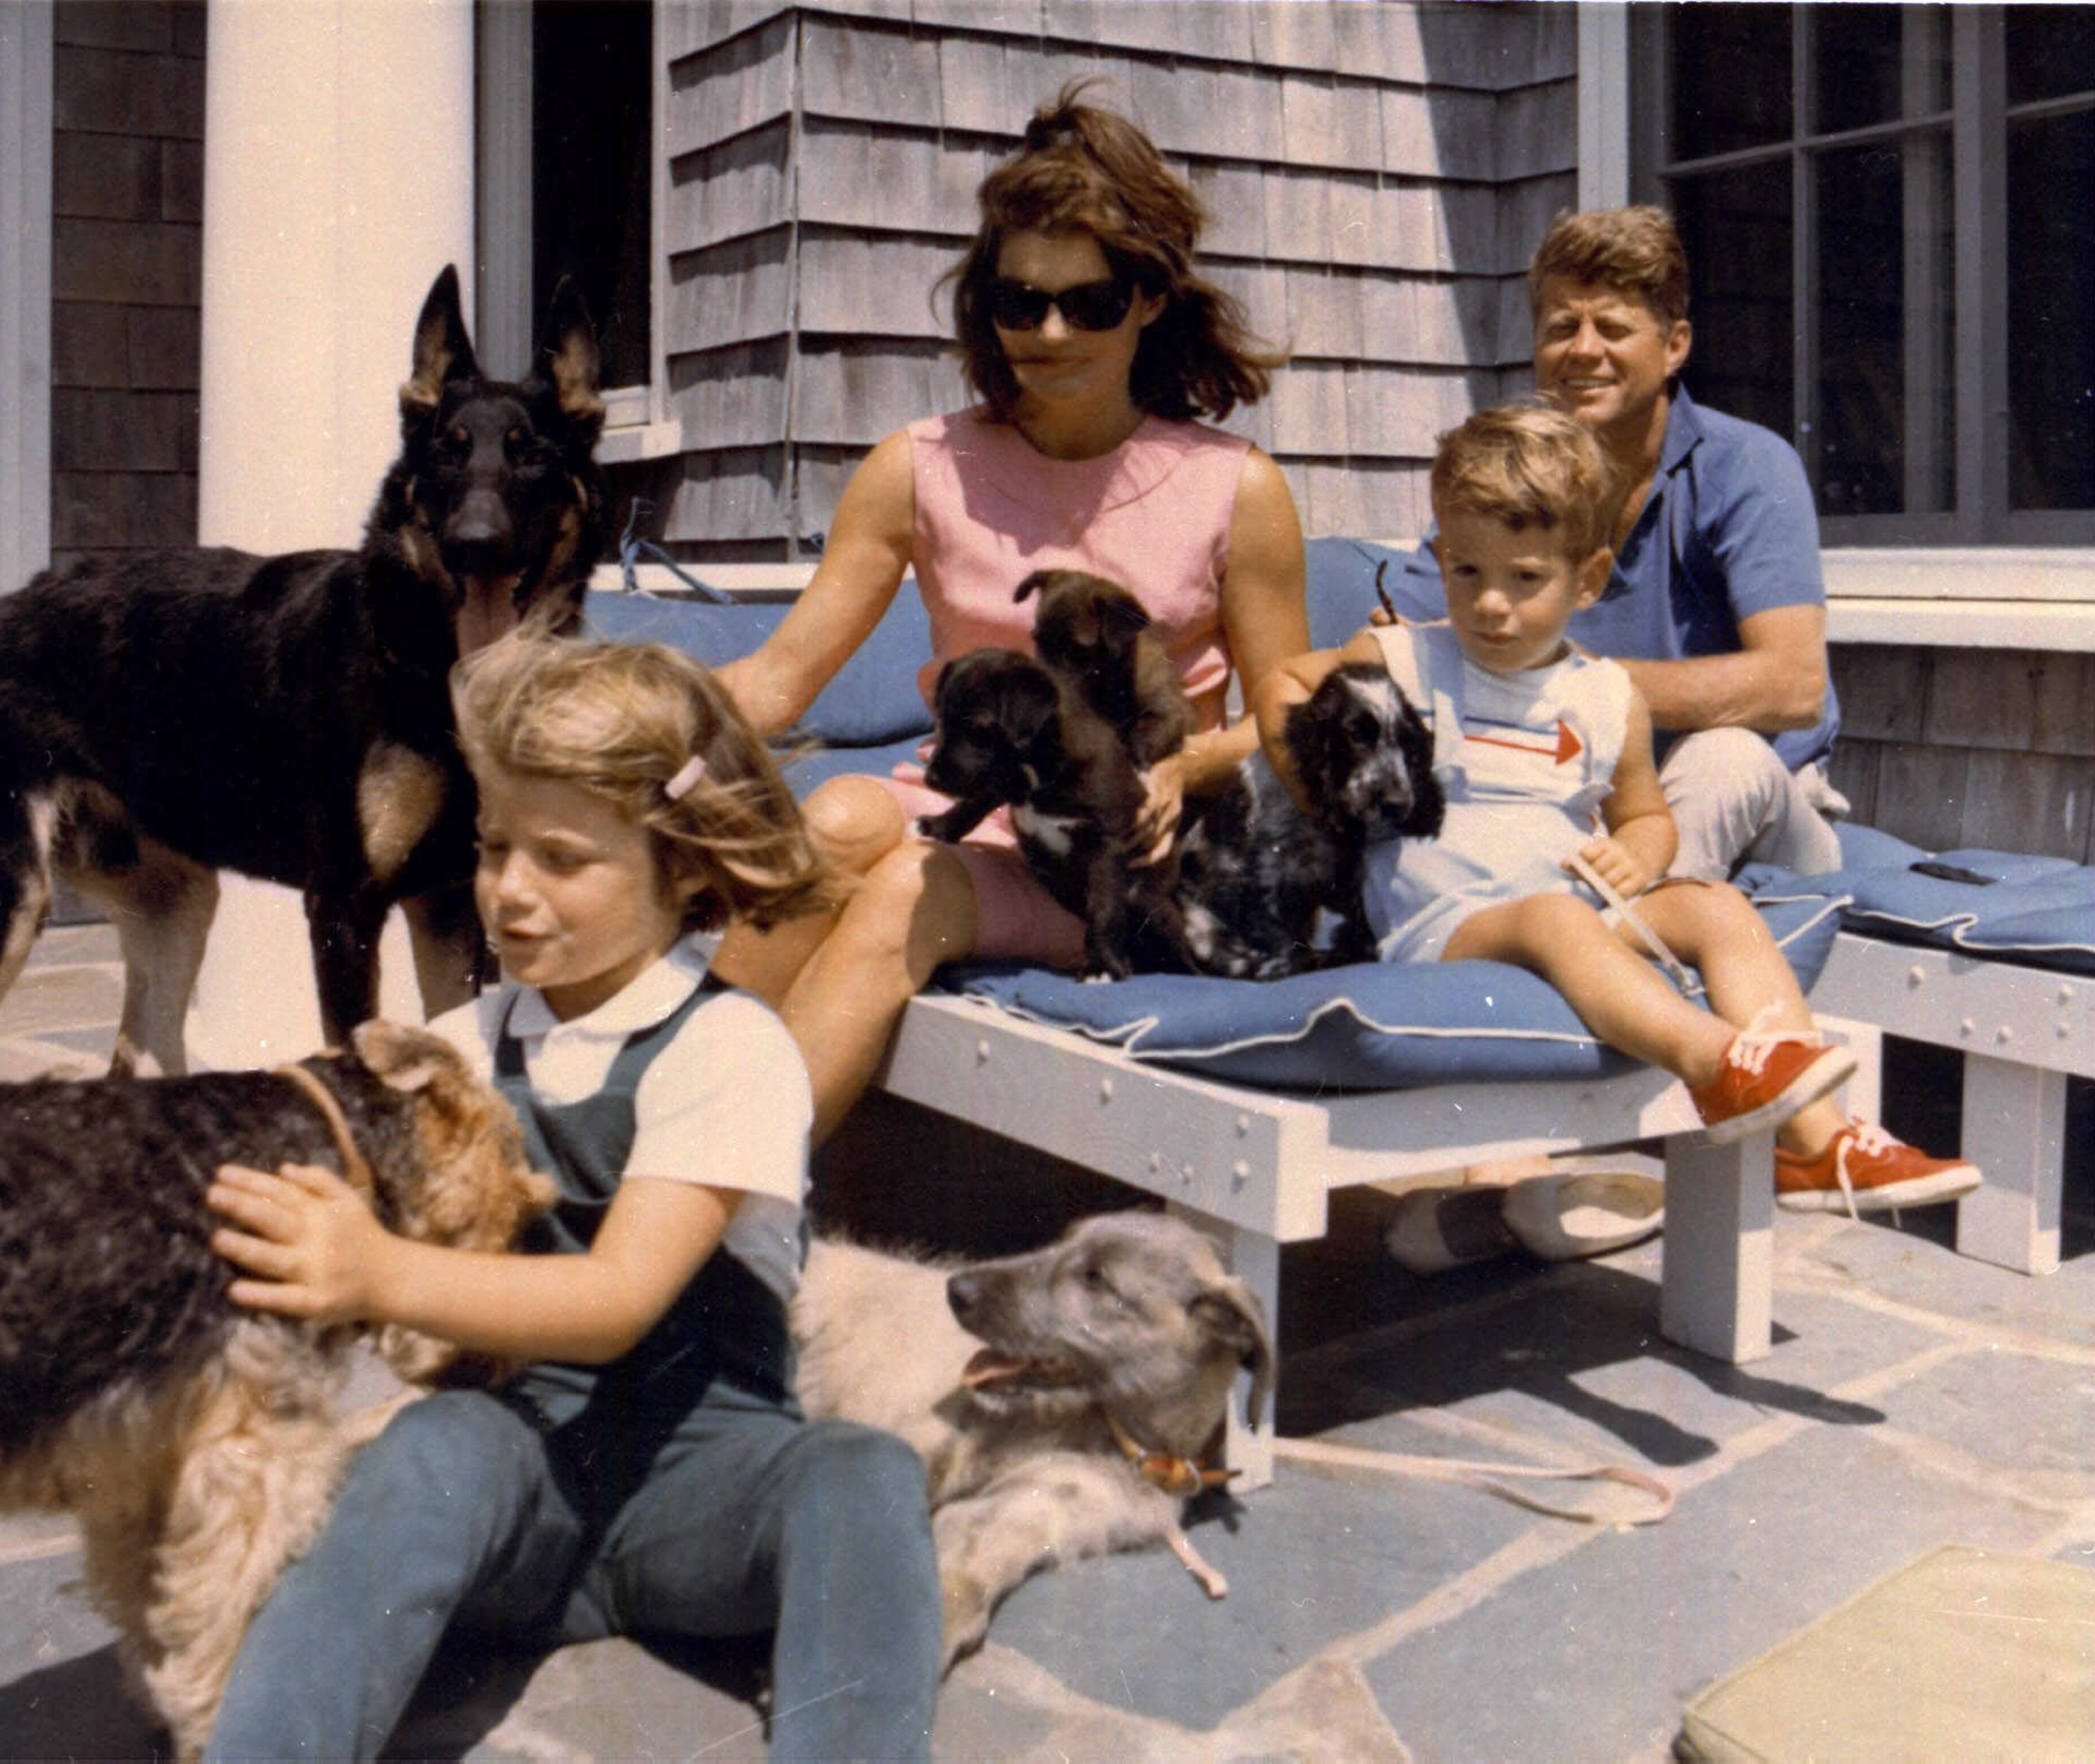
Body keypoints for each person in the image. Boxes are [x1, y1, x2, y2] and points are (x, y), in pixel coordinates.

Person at [200, 634, 941, 1760]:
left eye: (560, 857)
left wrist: (380, 1272)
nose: (509, 890)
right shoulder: (465, 1042)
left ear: (682, 869)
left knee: (861, 1472)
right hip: (528, 1492)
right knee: (433, 1443)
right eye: (494, 845)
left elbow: (618, 1299)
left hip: (705, 1497)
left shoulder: (727, 1048)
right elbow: (325, 1147)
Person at [713, 82, 1308, 1142]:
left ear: (1149, 300)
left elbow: (1285, 719)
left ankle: (714, 1195)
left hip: (1123, 852)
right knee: (836, 819)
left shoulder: (1237, 489)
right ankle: (653, 1132)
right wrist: (604, 741)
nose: (1049, 331)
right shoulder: (917, 468)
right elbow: (775, 681)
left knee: (909, 887)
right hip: (968, 806)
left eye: (1088, 303)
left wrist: (1185, 766)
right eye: (1018, 300)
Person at [1260, 404, 1980, 1218]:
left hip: (1572, 906)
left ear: (1588, 580)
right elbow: (1284, 683)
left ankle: (1818, 1142)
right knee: (1552, 920)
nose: (1491, 603)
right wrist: (1323, 791)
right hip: (1445, 924)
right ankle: (1718, 1065)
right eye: (1466, 571)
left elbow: (1645, 815)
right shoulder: (1402, 657)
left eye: (1525, 578)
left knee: (1716, 905)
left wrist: (1639, 853)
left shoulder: (1607, 697)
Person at [1385, 205, 1846, 883]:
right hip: (1576, 796)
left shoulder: (1746, 465)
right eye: (1561, 327)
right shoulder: (1508, 479)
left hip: (1757, 802)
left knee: (1723, 757)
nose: (1583, 349)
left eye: (1613, 327)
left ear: (1675, 345)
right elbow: (1405, 642)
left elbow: (1793, 685)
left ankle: (1627, 932)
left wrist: (1561, 678)